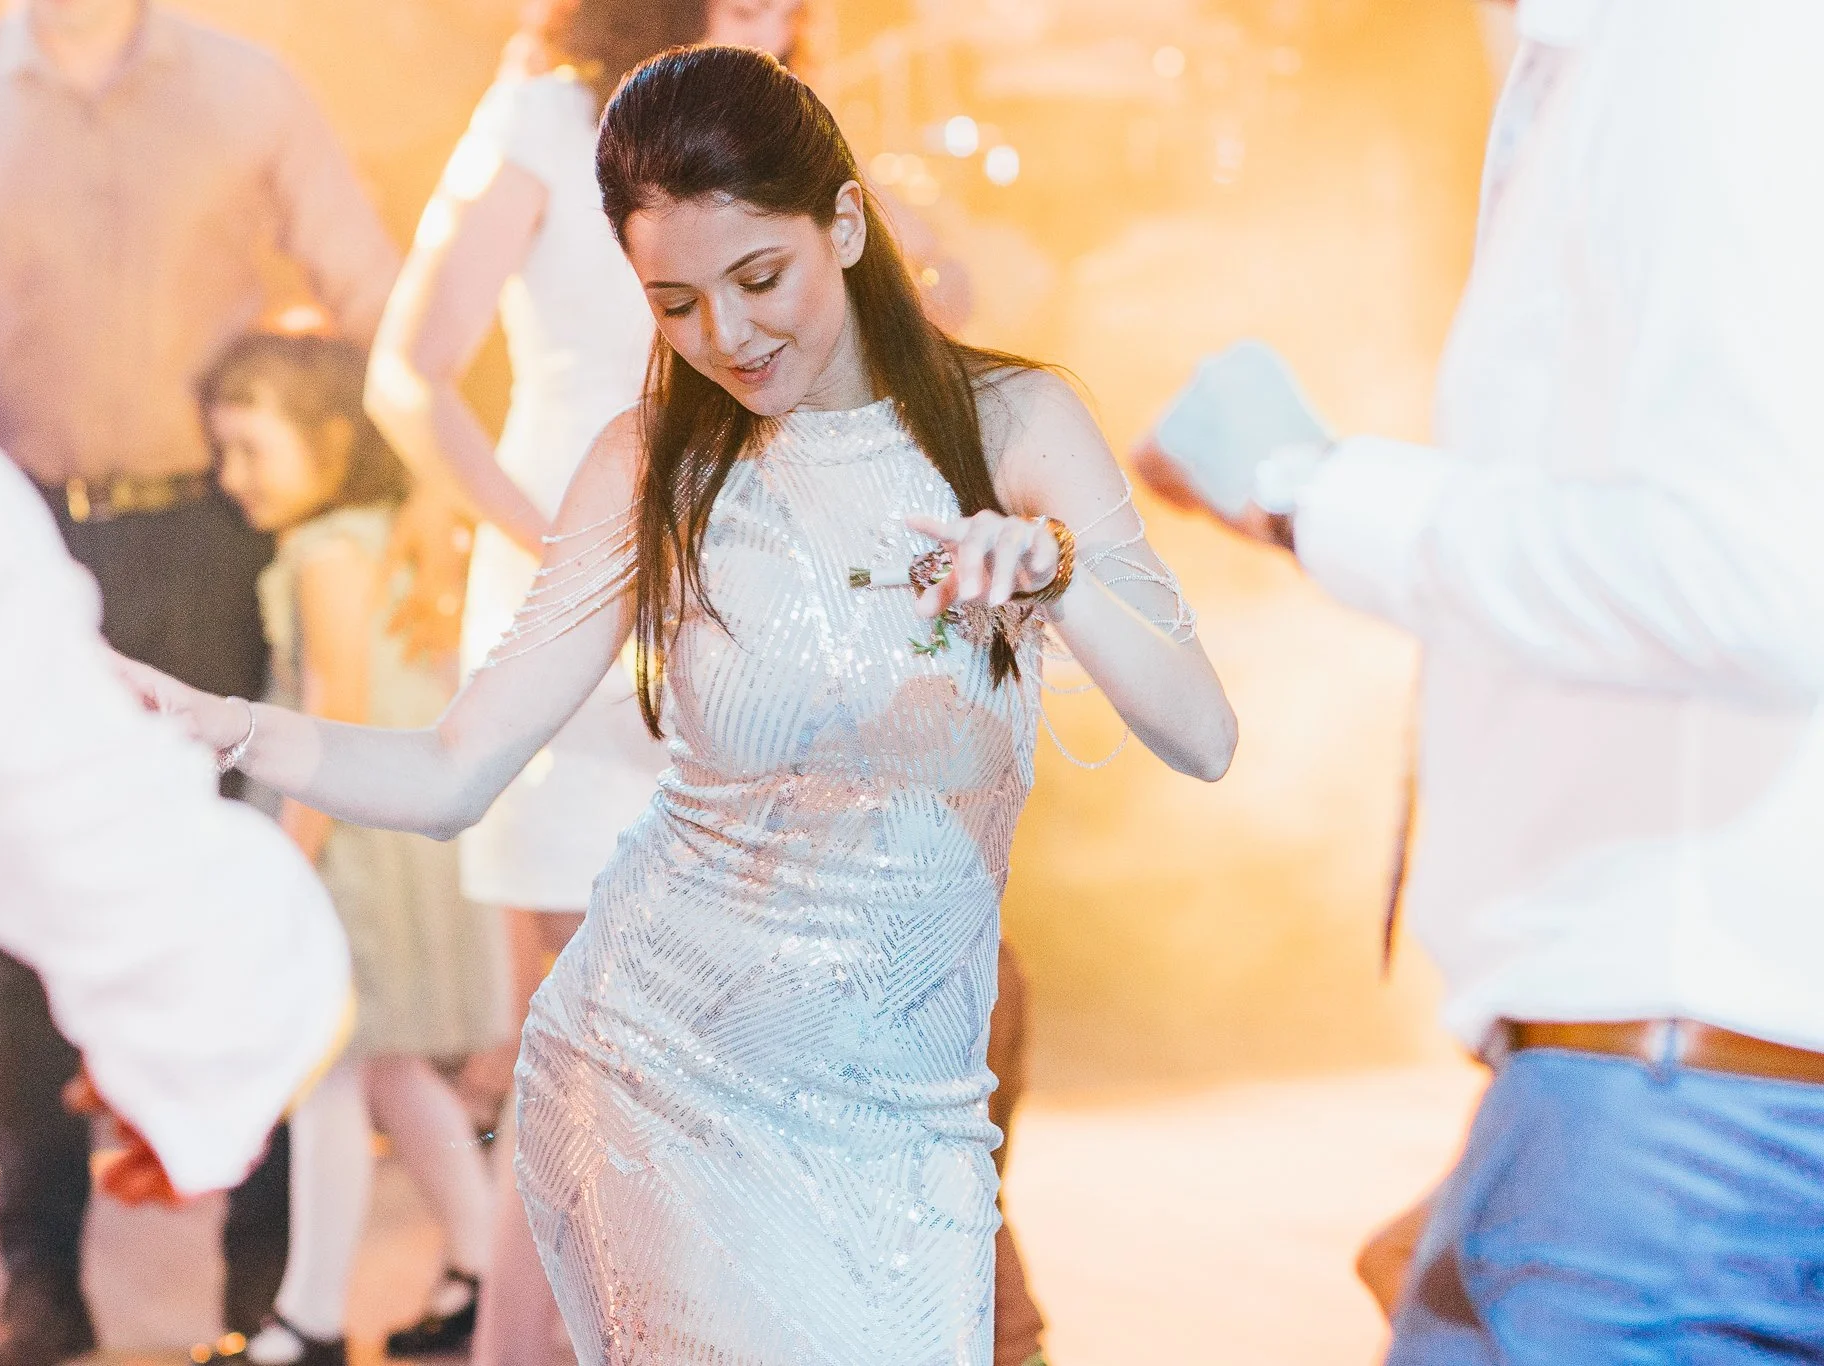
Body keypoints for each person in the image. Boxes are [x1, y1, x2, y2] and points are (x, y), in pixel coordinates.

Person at [125, 44, 1234, 1363]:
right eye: (675, 304)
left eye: (759, 279)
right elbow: (452, 768)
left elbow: (1202, 733)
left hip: (914, 1109)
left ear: (844, 222)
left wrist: (1058, 574)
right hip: (668, 1070)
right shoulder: (651, 464)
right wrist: (233, 728)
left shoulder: (1014, 423)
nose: (728, 336)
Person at [1134, 2, 1824, 1359]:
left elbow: (1755, 574)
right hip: (1662, 1095)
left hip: (1682, 1113)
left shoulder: (1707, 42)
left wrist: (1309, 491)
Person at [0, 3, 437, 1361]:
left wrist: (428, 501)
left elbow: (380, 303)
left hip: (218, 538)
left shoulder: (252, 87)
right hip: (15, 539)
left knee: (256, 887)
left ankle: (265, 1287)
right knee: (21, 921)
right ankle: (38, 1280)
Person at [363, 4, 702, 1361]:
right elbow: (409, 371)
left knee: (699, 1028)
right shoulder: (543, 118)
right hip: (574, 576)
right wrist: (555, 545)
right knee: (581, 1032)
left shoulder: (764, 123)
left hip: (725, 583)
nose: (784, 18)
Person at [177, 334, 511, 1366]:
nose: (232, 477)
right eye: (222, 453)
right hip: (395, 846)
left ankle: (311, 1318)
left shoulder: (325, 552)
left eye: (252, 450)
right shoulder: (379, 537)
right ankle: (483, 1269)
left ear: (329, 441)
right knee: (394, 1073)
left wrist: (286, 860)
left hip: (349, 856)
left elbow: (337, 707)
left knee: (325, 1074)